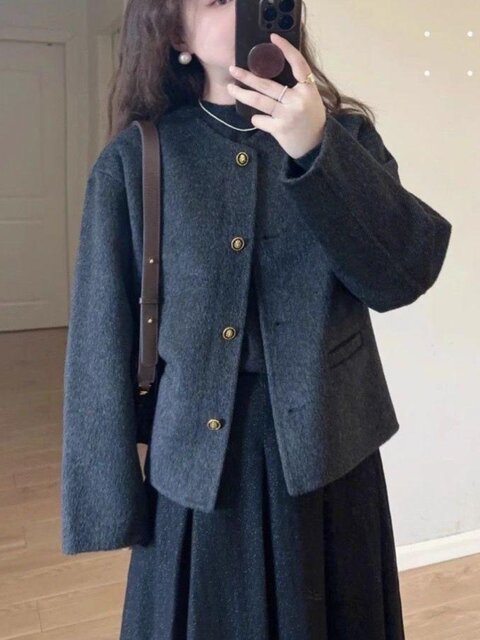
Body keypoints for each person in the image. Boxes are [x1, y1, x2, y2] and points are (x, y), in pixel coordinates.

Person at [61, 0, 453, 638]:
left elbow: (403, 276)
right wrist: (107, 500)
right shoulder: (136, 162)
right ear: (174, 32)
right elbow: (99, 341)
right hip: (199, 478)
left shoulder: (346, 139)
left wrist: (315, 149)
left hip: (332, 458)